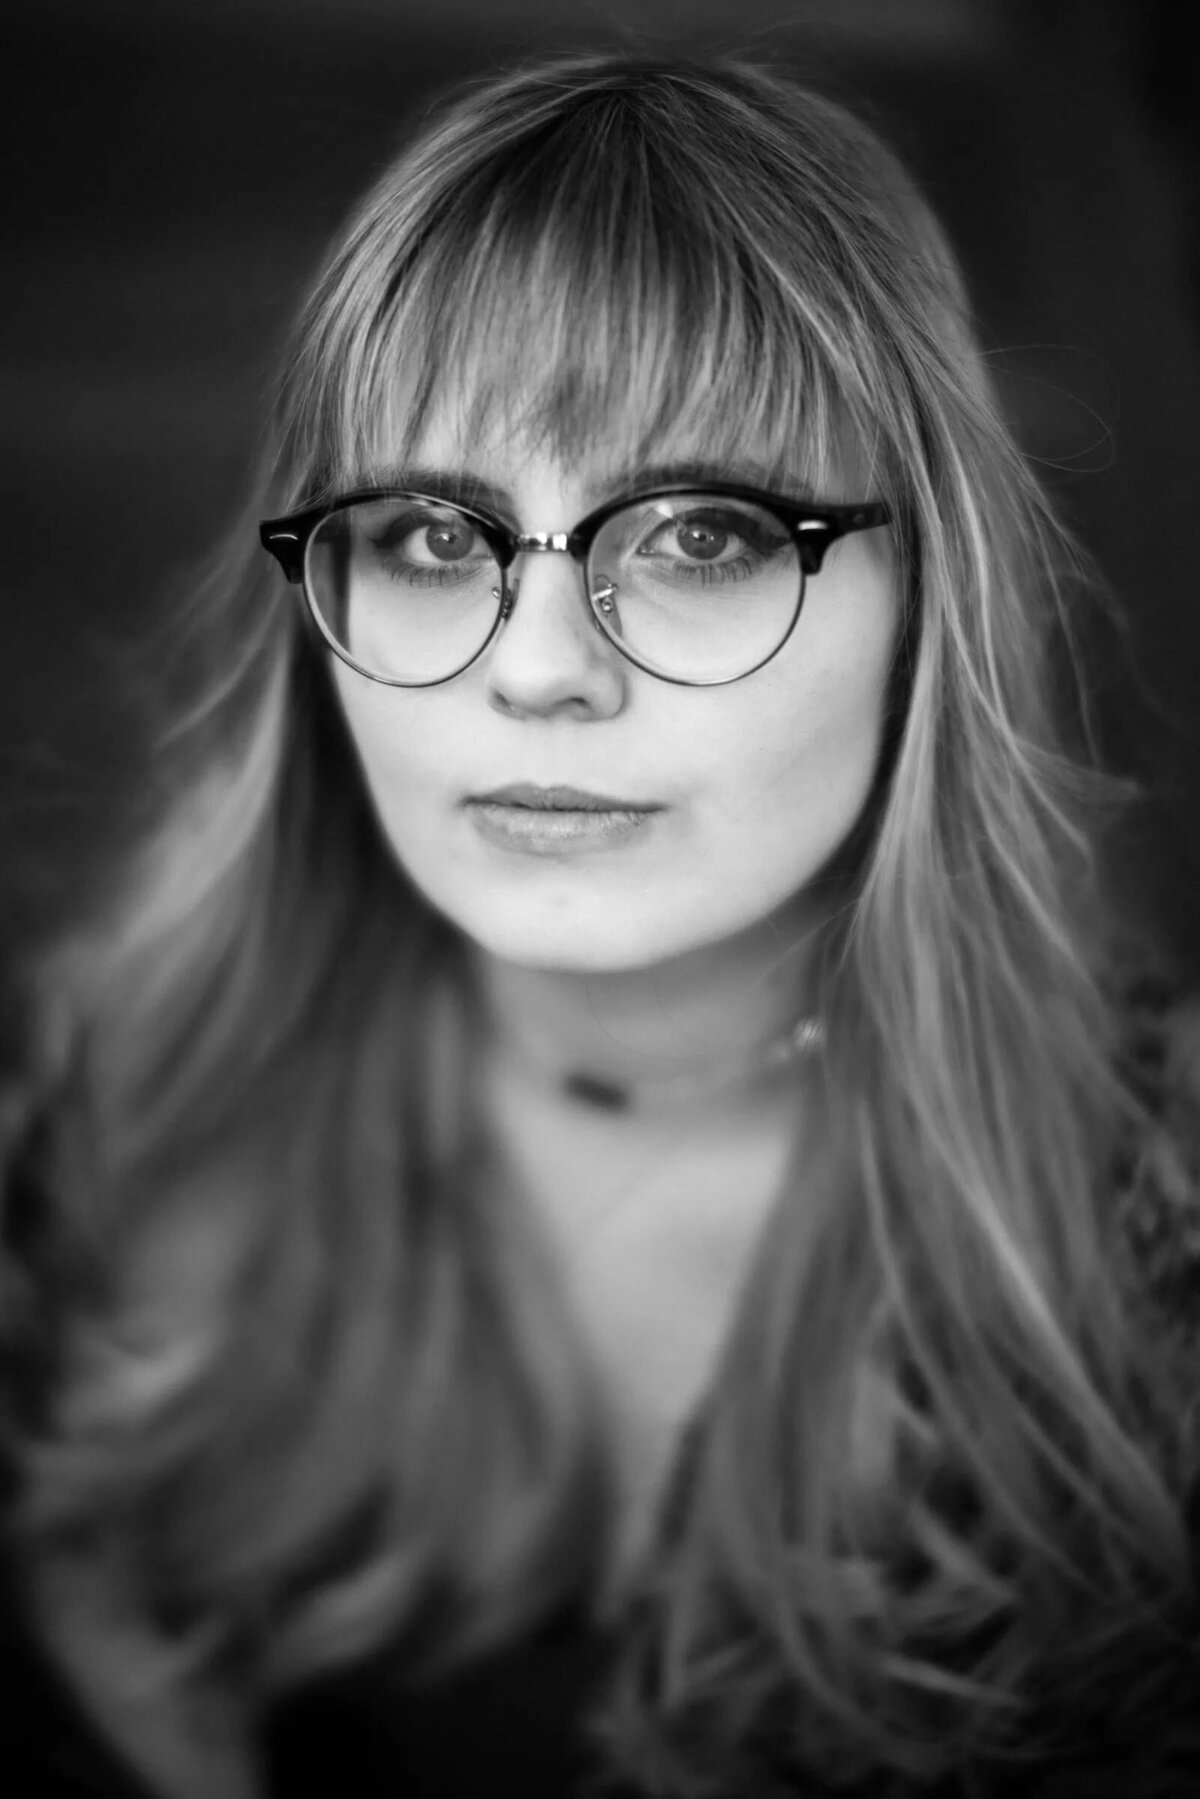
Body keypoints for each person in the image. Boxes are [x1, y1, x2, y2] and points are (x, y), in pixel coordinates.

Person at [2, 47, 1199, 1799]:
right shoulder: (125, 1107)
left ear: (928, 602)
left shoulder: (1155, 1233)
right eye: (429, 530)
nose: (539, 667)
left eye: (704, 531)